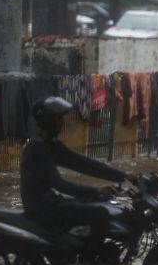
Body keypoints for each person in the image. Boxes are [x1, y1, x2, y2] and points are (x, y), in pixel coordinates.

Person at [21, 96, 130, 230]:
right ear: (48, 120)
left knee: (101, 202)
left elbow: (82, 164)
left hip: (49, 202)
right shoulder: (37, 146)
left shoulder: (49, 143)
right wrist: (96, 190)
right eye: (58, 118)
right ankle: (92, 251)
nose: (62, 122)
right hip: (42, 210)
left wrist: (123, 175)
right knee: (101, 213)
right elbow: (60, 184)